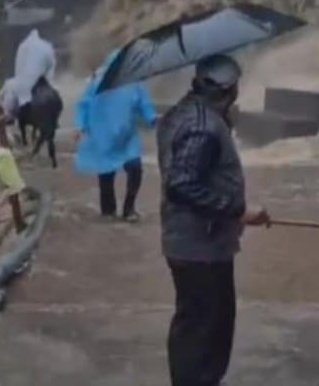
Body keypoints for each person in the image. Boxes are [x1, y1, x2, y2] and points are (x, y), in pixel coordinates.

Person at [157, 53, 270, 386]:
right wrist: (237, 210)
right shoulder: (203, 126)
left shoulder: (180, 114)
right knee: (208, 330)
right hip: (200, 246)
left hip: (190, 240)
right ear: (229, 89)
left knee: (195, 323)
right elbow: (182, 184)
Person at [74, 50, 157, 222]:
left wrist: (153, 120)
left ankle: (129, 208)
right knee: (106, 172)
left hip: (127, 136)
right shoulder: (98, 82)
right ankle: (108, 210)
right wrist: (80, 126)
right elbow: (84, 104)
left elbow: (145, 104)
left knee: (135, 169)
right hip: (104, 134)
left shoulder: (135, 83)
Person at [13, 29, 56, 128]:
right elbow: (51, 64)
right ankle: (54, 119)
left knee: (15, 100)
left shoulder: (22, 47)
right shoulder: (46, 46)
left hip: (25, 83)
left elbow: (18, 68)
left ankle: (14, 117)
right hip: (42, 79)